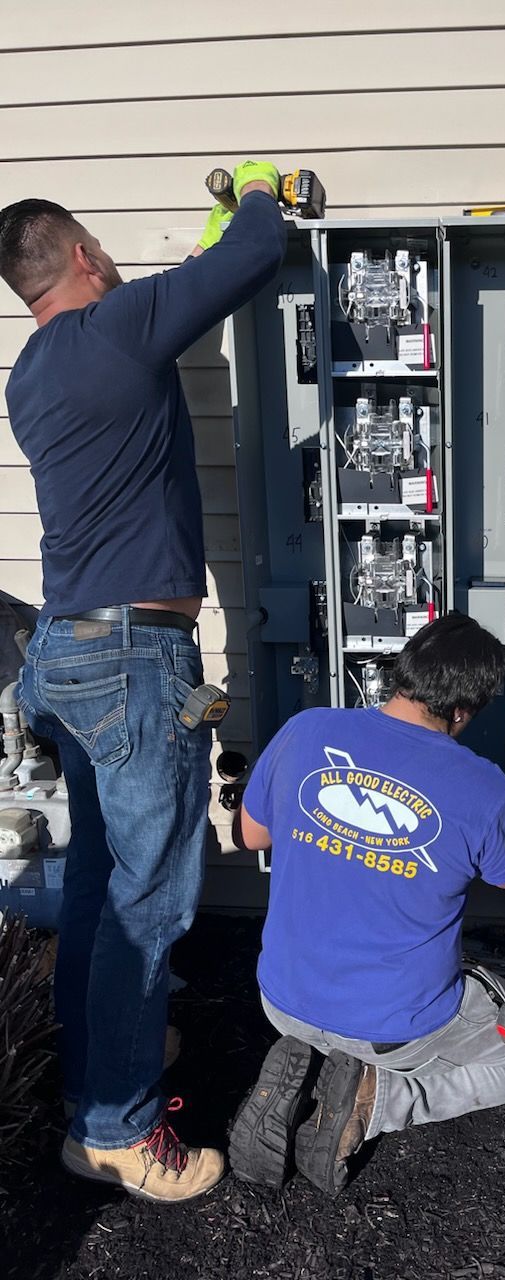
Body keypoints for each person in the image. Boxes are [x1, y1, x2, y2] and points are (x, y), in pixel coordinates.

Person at [0, 162, 287, 1202]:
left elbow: (196, 278)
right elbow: (256, 251)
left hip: (67, 654)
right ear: (84, 255)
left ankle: (102, 1068)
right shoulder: (118, 328)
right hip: (131, 657)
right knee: (150, 897)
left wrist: (208, 237)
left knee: (98, 887)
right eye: (105, 250)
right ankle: (116, 1129)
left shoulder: (30, 374)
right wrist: (256, 190)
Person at [230, 613, 505, 1195]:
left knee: (325, 1019)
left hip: (281, 1000)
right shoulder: (484, 787)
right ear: (463, 711)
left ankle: (311, 1066)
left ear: (403, 670)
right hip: (394, 1029)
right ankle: (377, 1096)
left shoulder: (306, 730)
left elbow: (251, 836)